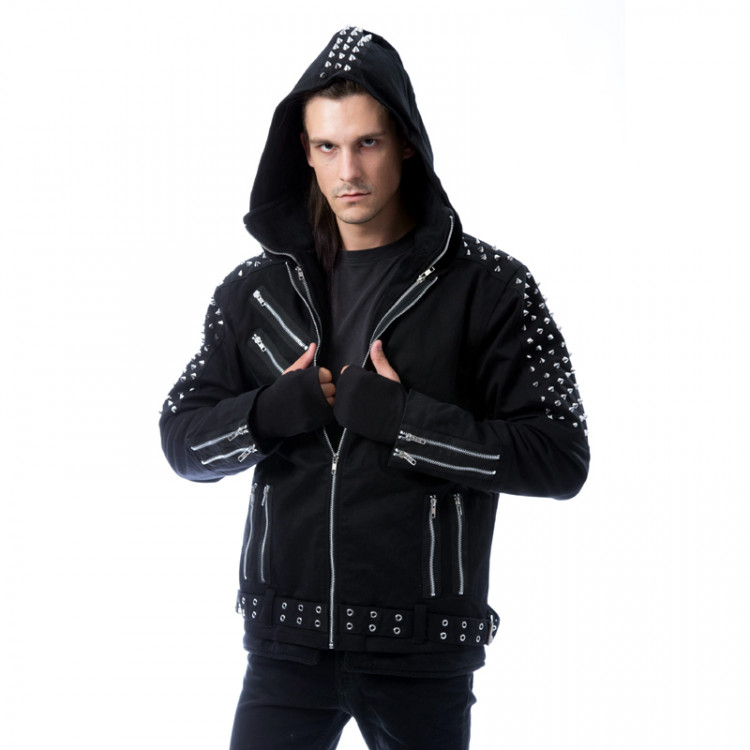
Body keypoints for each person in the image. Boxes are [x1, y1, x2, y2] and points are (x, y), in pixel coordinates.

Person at [160, 26, 590, 750]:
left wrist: (403, 421)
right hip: (284, 645)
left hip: (422, 648)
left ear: (406, 144)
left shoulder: (490, 287)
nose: (348, 170)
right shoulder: (254, 291)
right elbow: (181, 441)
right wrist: (267, 414)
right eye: (327, 147)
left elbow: (559, 458)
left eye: (367, 143)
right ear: (304, 152)